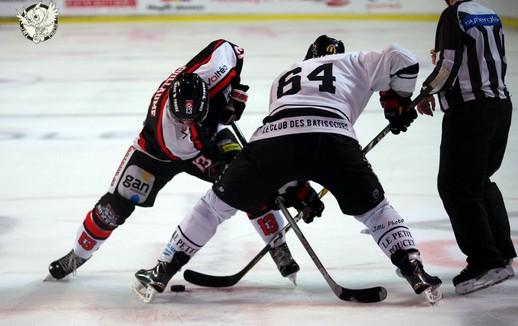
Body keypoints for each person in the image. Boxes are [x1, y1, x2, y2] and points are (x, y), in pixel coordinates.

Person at [134, 35, 443, 303]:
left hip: (273, 141)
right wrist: (397, 102)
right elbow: (403, 58)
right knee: (375, 211)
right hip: (333, 137)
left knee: (214, 206)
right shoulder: (353, 61)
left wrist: (294, 189)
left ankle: (162, 269)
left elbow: (289, 147)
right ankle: (413, 269)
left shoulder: (285, 74)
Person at [47, 39, 300, 284]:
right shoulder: (168, 129)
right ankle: (76, 256)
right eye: (183, 120)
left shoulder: (214, 68)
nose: (187, 123)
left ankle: (279, 248)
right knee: (114, 208)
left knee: (247, 185)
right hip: (156, 153)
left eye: (195, 117)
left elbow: (231, 49)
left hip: (207, 137)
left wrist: (233, 91)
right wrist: (221, 131)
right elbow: (197, 146)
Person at [416, 0, 516, 295]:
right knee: (479, 182)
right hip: (500, 105)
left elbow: (448, 64)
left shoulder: (453, 15)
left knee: (456, 187)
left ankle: (486, 262)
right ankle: (500, 254)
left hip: (470, 109)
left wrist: (425, 92)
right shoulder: (489, 13)